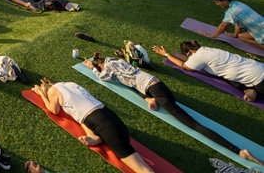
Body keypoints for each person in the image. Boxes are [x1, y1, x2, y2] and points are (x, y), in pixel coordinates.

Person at [85, 53, 264, 166]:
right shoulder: (115, 60)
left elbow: (102, 77)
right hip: (157, 86)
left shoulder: (107, 67)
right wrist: (149, 97)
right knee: (148, 94)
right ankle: (152, 99)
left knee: (193, 125)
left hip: (156, 90)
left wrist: (92, 68)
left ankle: (239, 151)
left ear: (100, 64)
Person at [30, 78, 155, 173]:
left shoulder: (52, 91)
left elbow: (54, 110)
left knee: (141, 168)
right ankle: (95, 137)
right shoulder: (70, 84)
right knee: (82, 118)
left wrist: (41, 94)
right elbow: (81, 115)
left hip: (105, 125)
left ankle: (97, 136)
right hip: (109, 117)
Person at [154, 40, 264, 102]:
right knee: (227, 78)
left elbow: (185, 65)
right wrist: (171, 54)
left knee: (228, 78)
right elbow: (190, 60)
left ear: (191, 51)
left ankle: (251, 91)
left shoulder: (199, 57)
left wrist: (166, 55)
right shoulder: (207, 49)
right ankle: (250, 90)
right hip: (259, 67)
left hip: (259, 81)